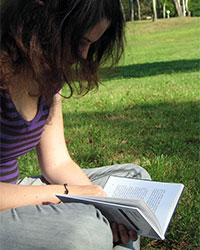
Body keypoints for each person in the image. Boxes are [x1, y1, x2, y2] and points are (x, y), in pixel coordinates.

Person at [0, 0, 151, 249]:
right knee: (88, 229)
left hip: (18, 192)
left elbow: (57, 162)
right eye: (80, 40)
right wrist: (70, 194)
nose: (84, 55)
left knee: (134, 182)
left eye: (91, 44)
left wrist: (105, 205)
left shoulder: (48, 73)